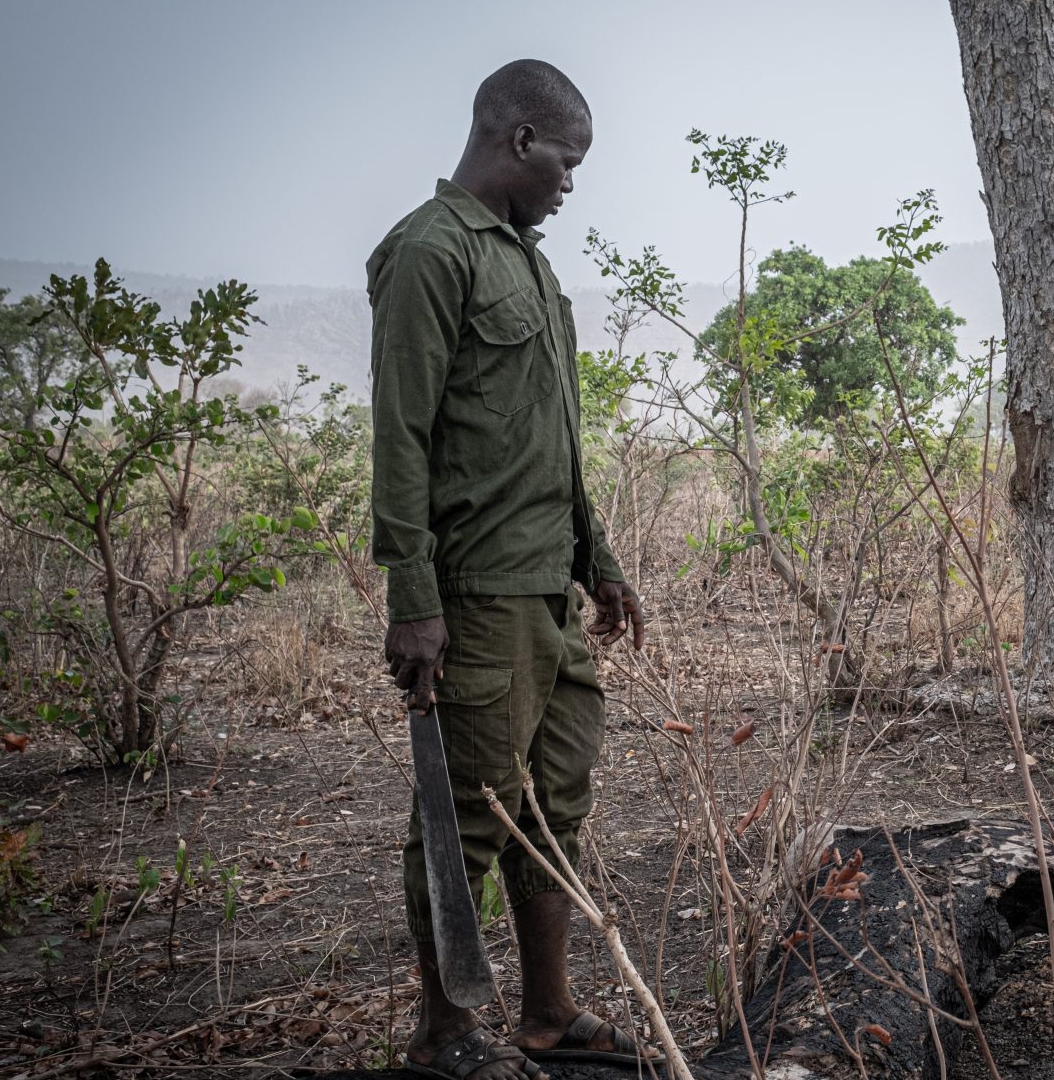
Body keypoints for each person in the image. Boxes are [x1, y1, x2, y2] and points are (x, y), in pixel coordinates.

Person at [369, 59, 651, 1079]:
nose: (570, 185)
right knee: (468, 819)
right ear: (519, 140)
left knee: (554, 804)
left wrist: (600, 561)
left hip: (548, 593)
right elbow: (400, 437)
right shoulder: (429, 253)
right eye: (566, 163)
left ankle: (547, 1014)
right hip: (475, 596)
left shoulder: (529, 264)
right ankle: (443, 1036)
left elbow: (554, 440)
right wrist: (414, 602)